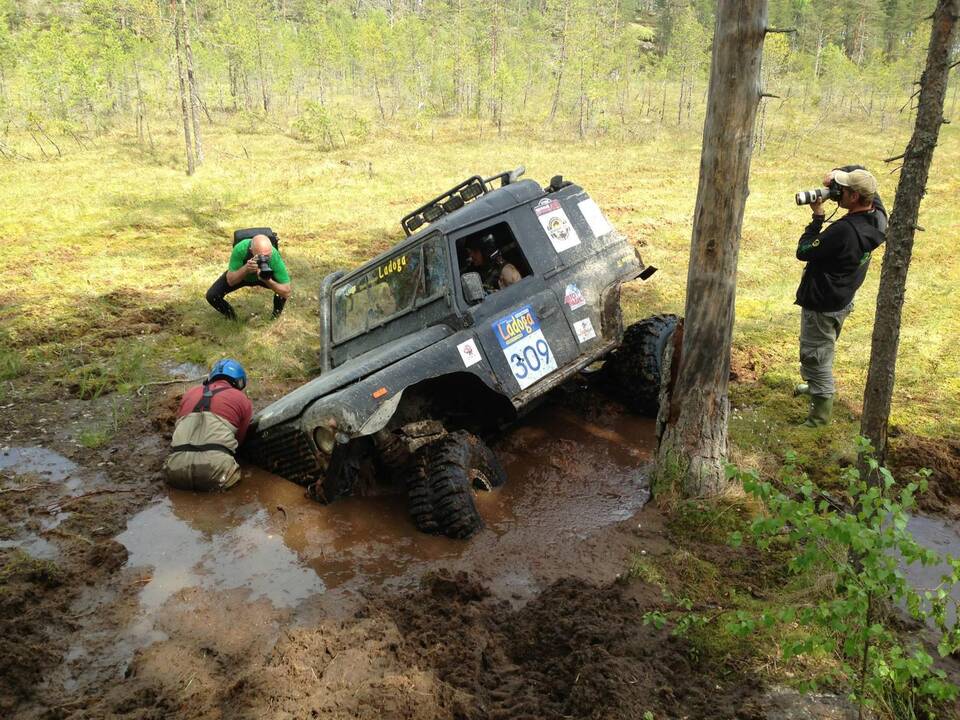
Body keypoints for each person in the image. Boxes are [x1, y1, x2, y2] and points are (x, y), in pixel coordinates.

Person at [793, 167, 887, 427]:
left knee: (815, 355)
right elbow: (867, 176)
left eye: (841, 189)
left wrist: (817, 217)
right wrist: (838, 173)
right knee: (824, 348)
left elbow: (803, 250)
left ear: (855, 196)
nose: (837, 192)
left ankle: (818, 418)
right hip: (842, 299)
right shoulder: (878, 217)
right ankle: (815, 387)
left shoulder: (844, 231)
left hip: (821, 304)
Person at [163, 359, 253, 492]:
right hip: (216, 471)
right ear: (240, 381)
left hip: (175, 471)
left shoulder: (189, 394)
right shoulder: (241, 399)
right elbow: (239, 442)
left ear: (210, 377)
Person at [206, 234, 292, 320]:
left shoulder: (274, 255)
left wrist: (268, 281)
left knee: (281, 292)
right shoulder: (240, 249)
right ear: (251, 250)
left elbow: (286, 291)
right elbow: (230, 281)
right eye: (260, 256)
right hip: (242, 276)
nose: (264, 259)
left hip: (265, 277)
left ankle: (275, 317)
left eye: (267, 256)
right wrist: (246, 269)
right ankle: (232, 318)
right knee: (212, 296)